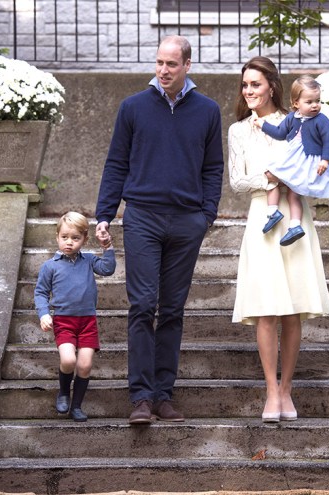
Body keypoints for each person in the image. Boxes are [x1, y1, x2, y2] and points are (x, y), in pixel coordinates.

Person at [95, 35, 224, 425]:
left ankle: (164, 395)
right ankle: (141, 399)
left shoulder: (208, 110)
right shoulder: (133, 107)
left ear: (187, 65)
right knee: (141, 306)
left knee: (171, 310)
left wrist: (207, 215)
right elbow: (116, 163)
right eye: (159, 63)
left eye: (171, 64)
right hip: (143, 218)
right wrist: (105, 213)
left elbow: (213, 167)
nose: (163, 70)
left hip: (187, 221)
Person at [228, 57, 329, 423]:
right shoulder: (239, 131)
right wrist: (271, 178)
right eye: (245, 86)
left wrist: (299, 176)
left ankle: (287, 389)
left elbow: (319, 158)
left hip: (293, 215)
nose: (249, 91)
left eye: (255, 84)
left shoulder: (297, 121)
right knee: (266, 308)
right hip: (261, 215)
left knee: (292, 309)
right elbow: (237, 182)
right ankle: (270, 391)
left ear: (271, 85)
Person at [34, 211, 116, 422]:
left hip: (87, 321)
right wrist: (44, 314)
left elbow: (107, 269)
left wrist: (107, 247)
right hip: (64, 321)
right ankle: (63, 392)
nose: (69, 242)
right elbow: (41, 292)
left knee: (85, 365)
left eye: (75, 238)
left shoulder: (88, 260)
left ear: (84, 239)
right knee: (69, 359)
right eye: (64, 237)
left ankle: (77, 406)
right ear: (57, 237)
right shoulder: (50, 266)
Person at [253, 75, 329, 246]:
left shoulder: (321, 120)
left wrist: (325, 160)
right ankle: (275, 213)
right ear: (296, 103)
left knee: (293, 192)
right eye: (309, 102)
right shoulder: (292, 118)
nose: (315, 105)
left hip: (308, 162)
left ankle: (293, 224)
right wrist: (263, 125)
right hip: (293, 159)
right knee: (273, 178)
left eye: (317, 100)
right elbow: (280, 133)